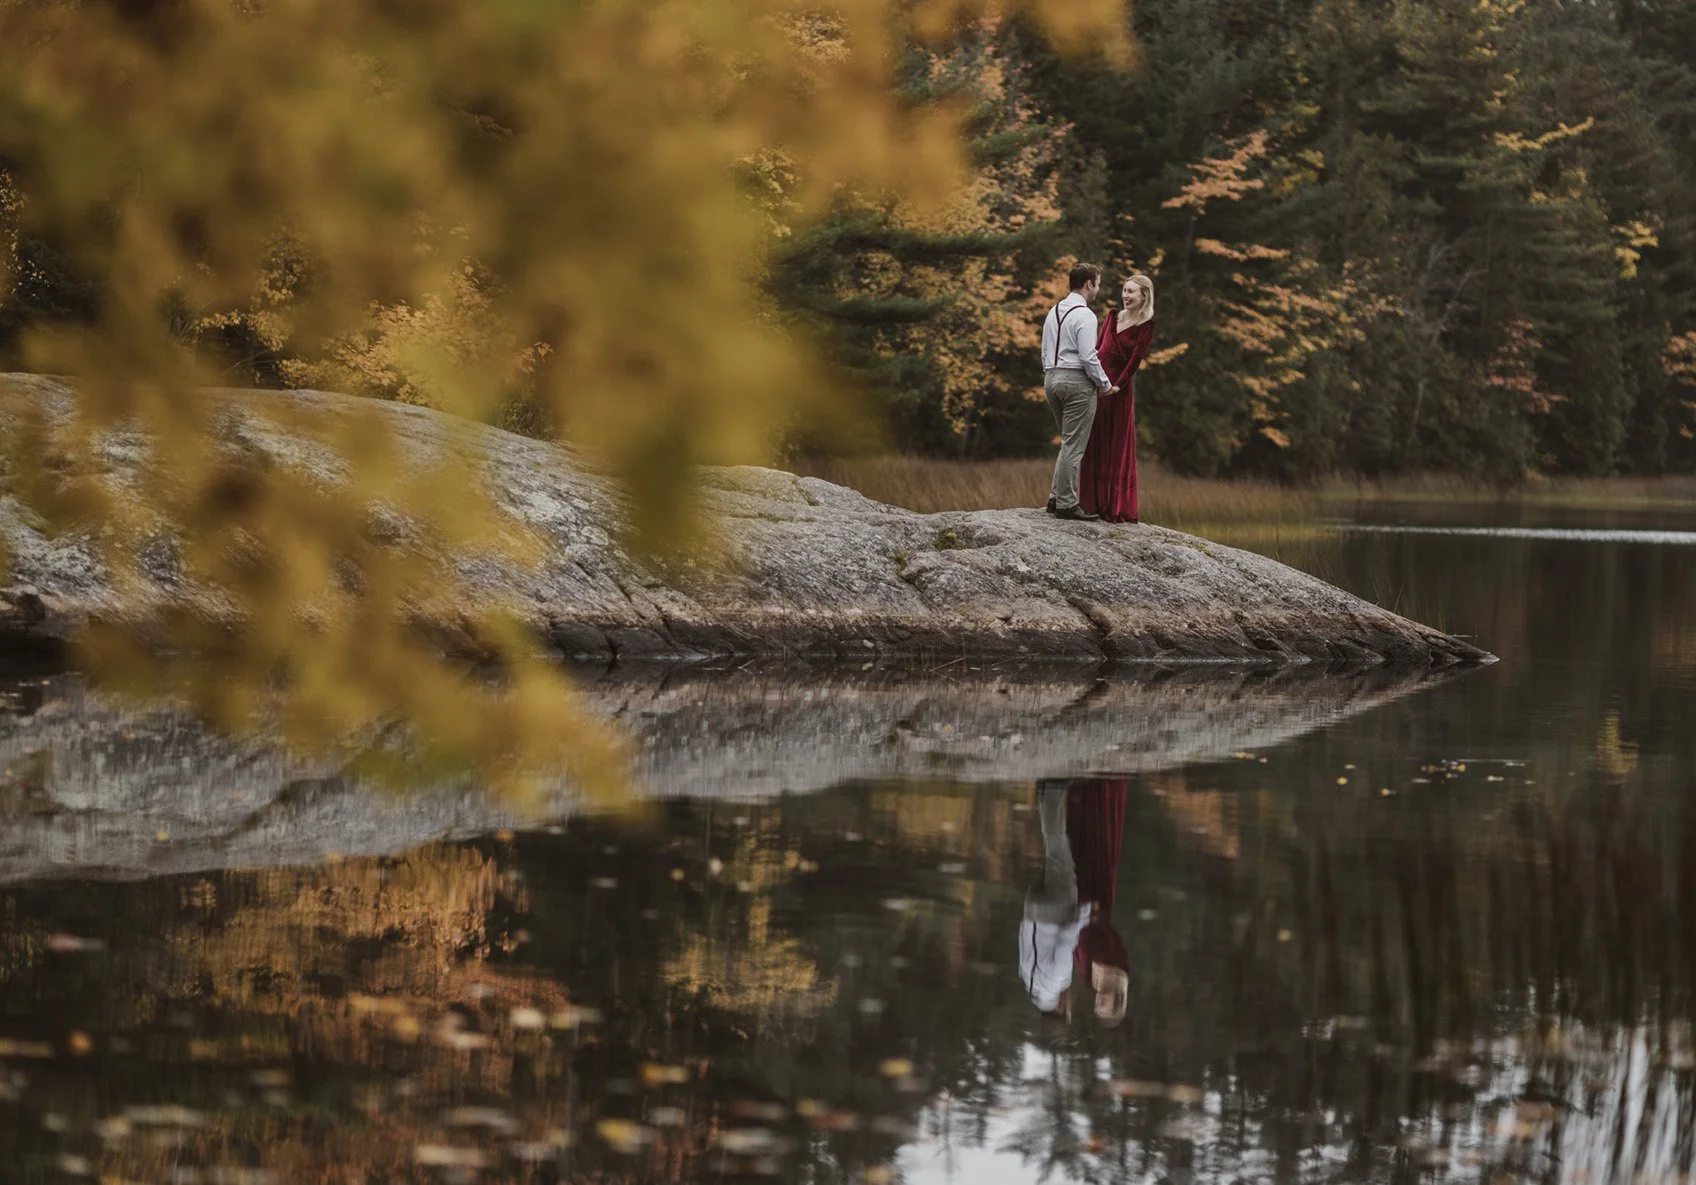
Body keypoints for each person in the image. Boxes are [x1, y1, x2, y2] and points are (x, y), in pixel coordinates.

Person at [1019, 777, 1131, 1026]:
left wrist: (1085, 912)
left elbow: (1068, 938)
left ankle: (1053, 789)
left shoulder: (1060, 979)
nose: (1069, 1002)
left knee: (1058, 847)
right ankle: (1045, 795)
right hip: (1032, 912)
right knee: (1053, 850)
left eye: (1067, 1009)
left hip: (1054, 911)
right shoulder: (1029, 983)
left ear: (1060, 1011)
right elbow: (1024, 944)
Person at [1039, 263, 1118, 522]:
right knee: (1073, 444)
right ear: (1088, 284)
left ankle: (1054, 498)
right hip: (1076, 383)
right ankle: (1067, 502)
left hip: (1052, 378)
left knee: (1066, 441)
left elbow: (1044, 351)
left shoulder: (1054, 311)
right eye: (1098, 283)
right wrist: (1105, 385)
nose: (1098, 288)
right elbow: (1088, 356)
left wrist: (1052, 374)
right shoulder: (1085, 315)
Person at [1080, 274, 1156, 524]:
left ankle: (1113, 506)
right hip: (1097, 384)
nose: (1126, 295)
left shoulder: (1146, 326)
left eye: (1132, 292)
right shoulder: (1112, 316)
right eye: (1124, 290)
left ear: (1144, 296)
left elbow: (1134, 362)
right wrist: (1094, 380)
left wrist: (1115, 387)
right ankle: (1091, 503)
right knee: (1094, 441)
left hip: (1117, 391)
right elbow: (1097, 349)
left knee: (1114, 445)